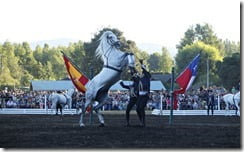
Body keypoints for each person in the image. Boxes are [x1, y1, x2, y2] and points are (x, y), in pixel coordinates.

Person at [136, 60, 151, 127]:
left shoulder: (148, 76)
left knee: (141, 108)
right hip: (140, 95)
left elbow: (145, 71)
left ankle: (143, 122)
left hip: (145, 95)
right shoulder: (141, 77)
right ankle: (141, 120)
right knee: (137, 109)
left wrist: (141, 64)